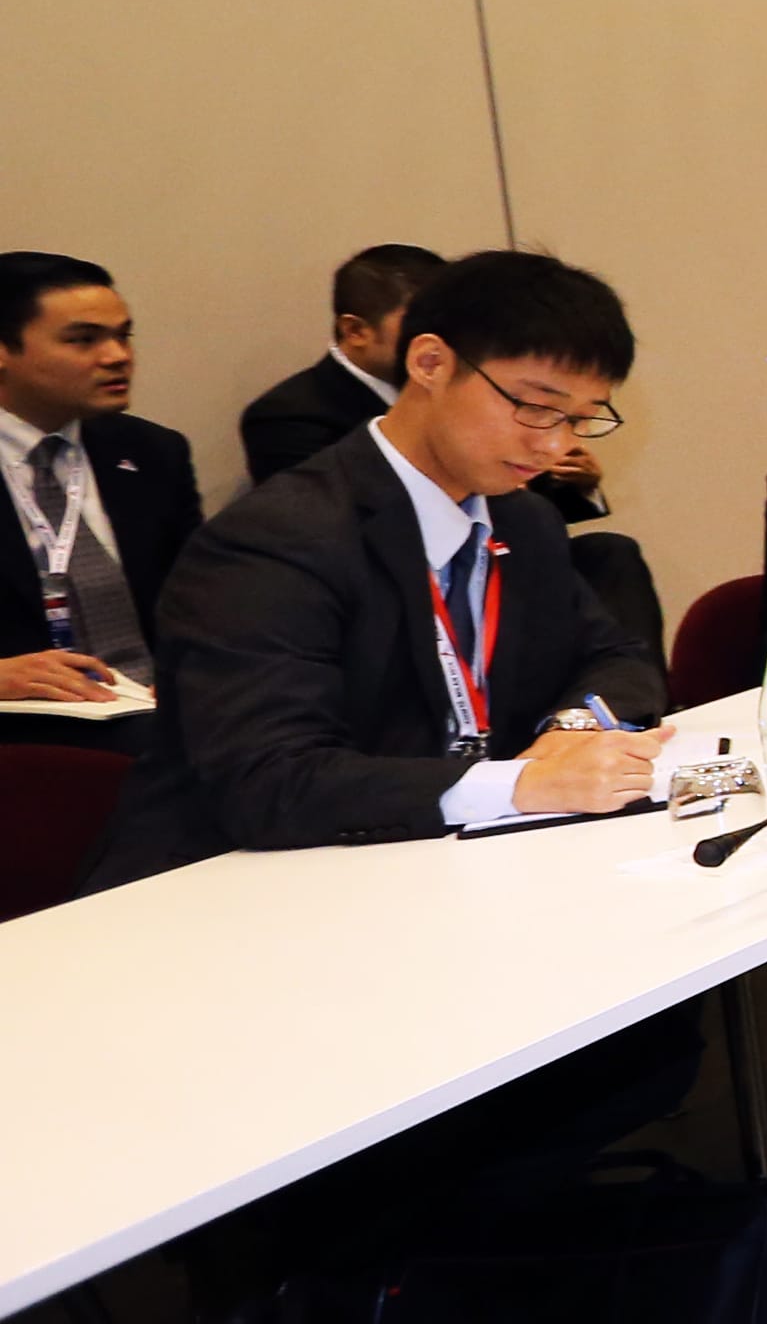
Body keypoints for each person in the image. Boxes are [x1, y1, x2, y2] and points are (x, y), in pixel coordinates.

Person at [93, 250, 670, 876]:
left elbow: (618, 657)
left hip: (432, 868)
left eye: (581, 420)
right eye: (535, 407)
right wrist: (519, 785)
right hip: (230, 892)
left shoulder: (521, 520)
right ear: (430, 363)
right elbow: (271, 780)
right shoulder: (275, 541)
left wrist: (573, 728)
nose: (557, 444)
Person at [0, 253, 201, 712]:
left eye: (122, 336)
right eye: (83, 340)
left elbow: (202, 600)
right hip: (23, 730)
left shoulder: (153, 453)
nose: (118, 357)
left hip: (156, 714)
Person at [235, 241, 454, 484]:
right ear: (356, 331)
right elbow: (330, 513)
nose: (441, 338)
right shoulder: (286, 418)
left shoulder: (459, 387)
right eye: (420, 324)